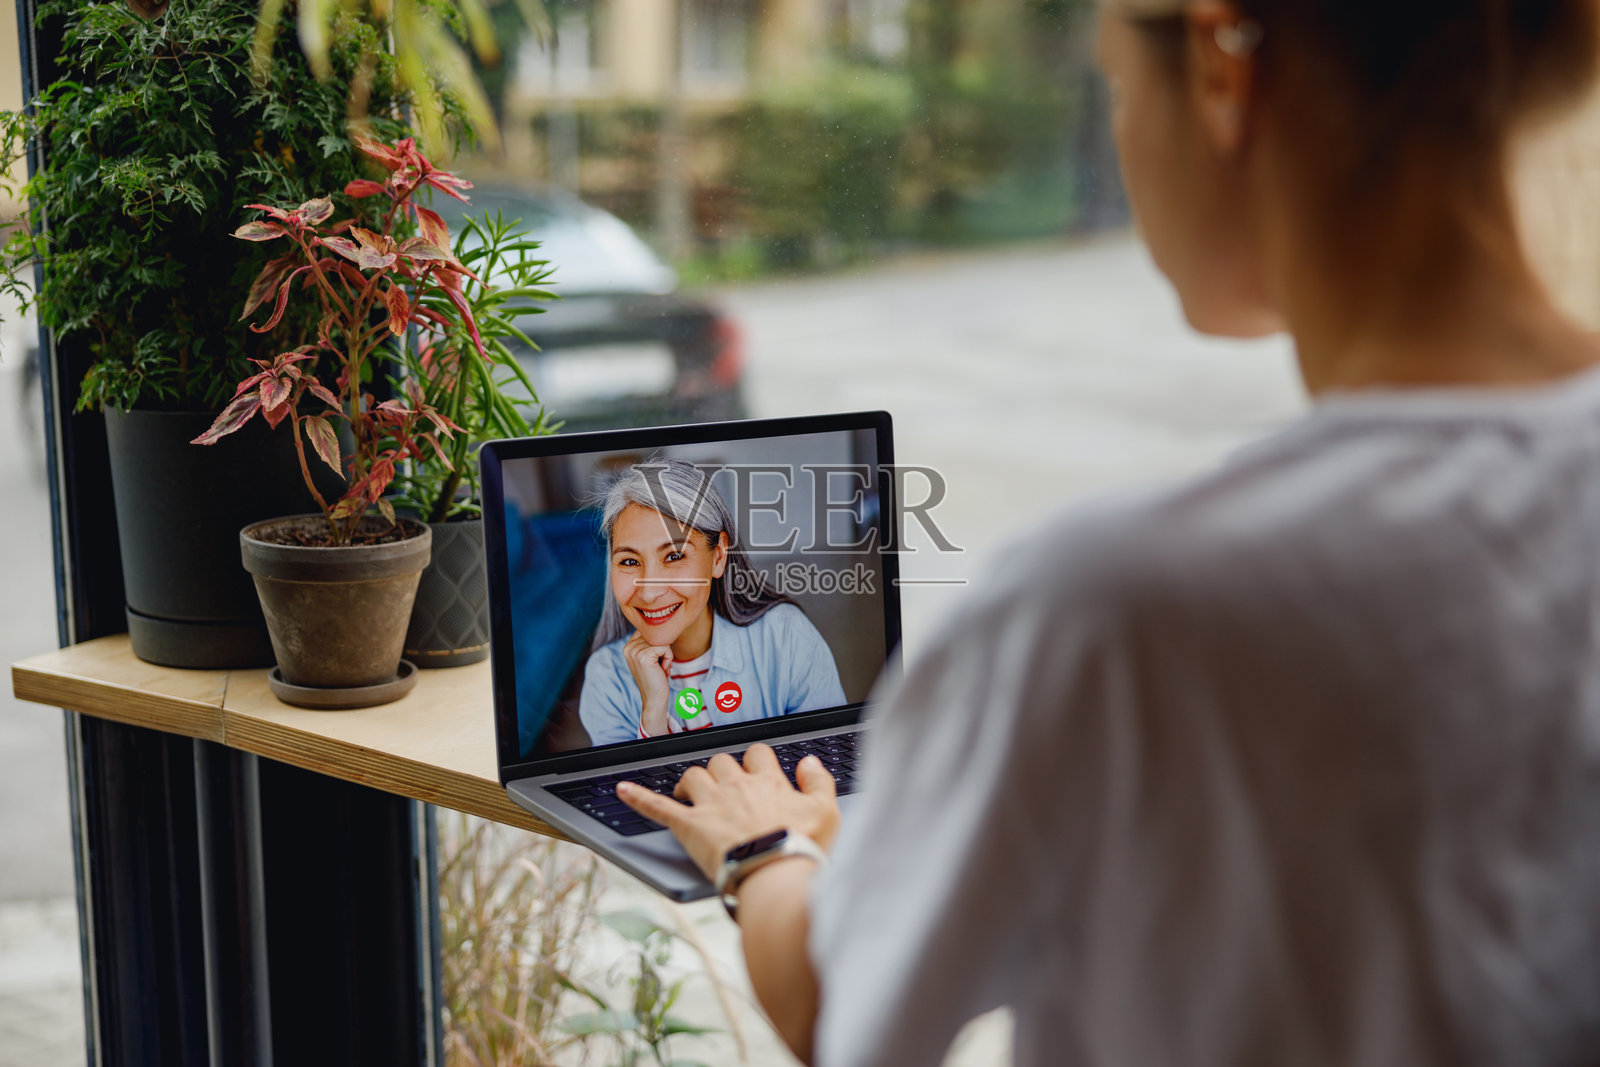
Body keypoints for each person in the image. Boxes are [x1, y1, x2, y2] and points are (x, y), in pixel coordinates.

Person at [614, 0, 1600, 1064]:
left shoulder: (1119, 610)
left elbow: (837, 1004)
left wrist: (760, 845)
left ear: (1226, 62)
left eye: (1118, 85)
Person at [578, 459, 847, 746]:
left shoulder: (785, 637)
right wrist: (653, 714)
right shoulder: (607, 676)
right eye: (630, 561)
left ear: (718, 556)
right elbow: (629, 791)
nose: (649, 592)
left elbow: (826, 761)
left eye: (674, 556)